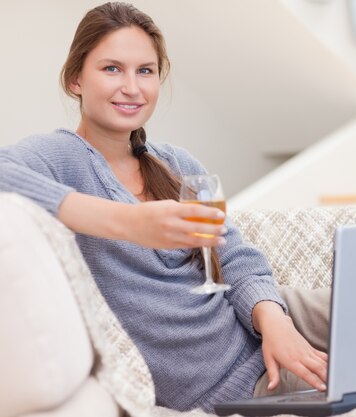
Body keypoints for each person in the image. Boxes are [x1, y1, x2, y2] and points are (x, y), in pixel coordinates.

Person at [0, 2, 328, 412]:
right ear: (75, 80)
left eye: (146, 71)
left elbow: (235, 258)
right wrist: (128, 222)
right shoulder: (59, 158)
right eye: (111, 69)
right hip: (242, 384)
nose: (132, 88)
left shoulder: (176, 163)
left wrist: (276, 322)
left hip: (267, 318)